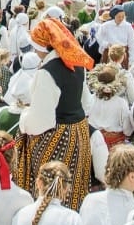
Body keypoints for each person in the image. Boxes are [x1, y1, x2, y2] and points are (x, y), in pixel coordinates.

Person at [14, 17, 96, 211]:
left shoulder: (47, 73)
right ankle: (71, 216)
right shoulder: (77, 64)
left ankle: (45, 219)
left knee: (52, 184)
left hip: (57, 137)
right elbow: (86, 103)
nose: (35, 51)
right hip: (79, 134)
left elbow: (41, 121)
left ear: (45, 46)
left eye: (36, 47)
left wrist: (24, 118)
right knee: (73, 180)